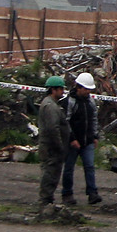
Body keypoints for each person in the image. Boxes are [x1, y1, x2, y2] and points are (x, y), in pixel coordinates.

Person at [61, 71, 102, 205]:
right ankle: (67, 194)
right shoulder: (70, 102)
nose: (88, 92)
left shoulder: (90, 101)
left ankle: (92, 193)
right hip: (72, 142)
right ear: (78, 87)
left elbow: (94, 118)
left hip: (87, 141)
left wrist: (95, 135)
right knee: (68, 168)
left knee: (89, 166)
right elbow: (66, 122)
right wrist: (72, 139)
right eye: (86, 89)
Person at [37, 76, 71, 208]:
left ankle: (47, 199)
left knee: (51, 172)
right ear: (53, 89)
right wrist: (60, 146)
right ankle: (45, 200)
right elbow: (53, 128)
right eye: (60, 88)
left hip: (50, 146)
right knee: (50, 173)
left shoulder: (51, 104)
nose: (63, 91)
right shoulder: (50, 106)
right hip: (51, 147)